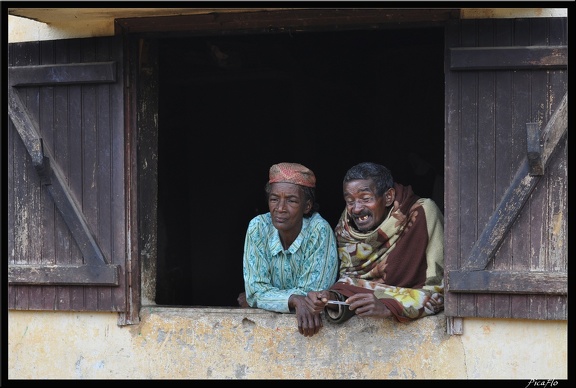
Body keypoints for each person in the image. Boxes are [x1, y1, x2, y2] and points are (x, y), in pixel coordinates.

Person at [303, 162, 444, 336]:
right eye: (349, 201)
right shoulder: (345, 227)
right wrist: (330, 299)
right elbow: (349, 284)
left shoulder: (421, 213)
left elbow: (439, 293)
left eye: (366, 199)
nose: (356, 208)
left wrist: (388, 305)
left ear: (388, 197)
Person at [238, 162, 339, 337]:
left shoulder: (319, 230)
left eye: (291, 200)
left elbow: (312, 297)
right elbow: (255, 291)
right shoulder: (258, 227)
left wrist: (264, 299)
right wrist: (293, 300)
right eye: (274, 199)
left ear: (307, 206)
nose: (280, 208)